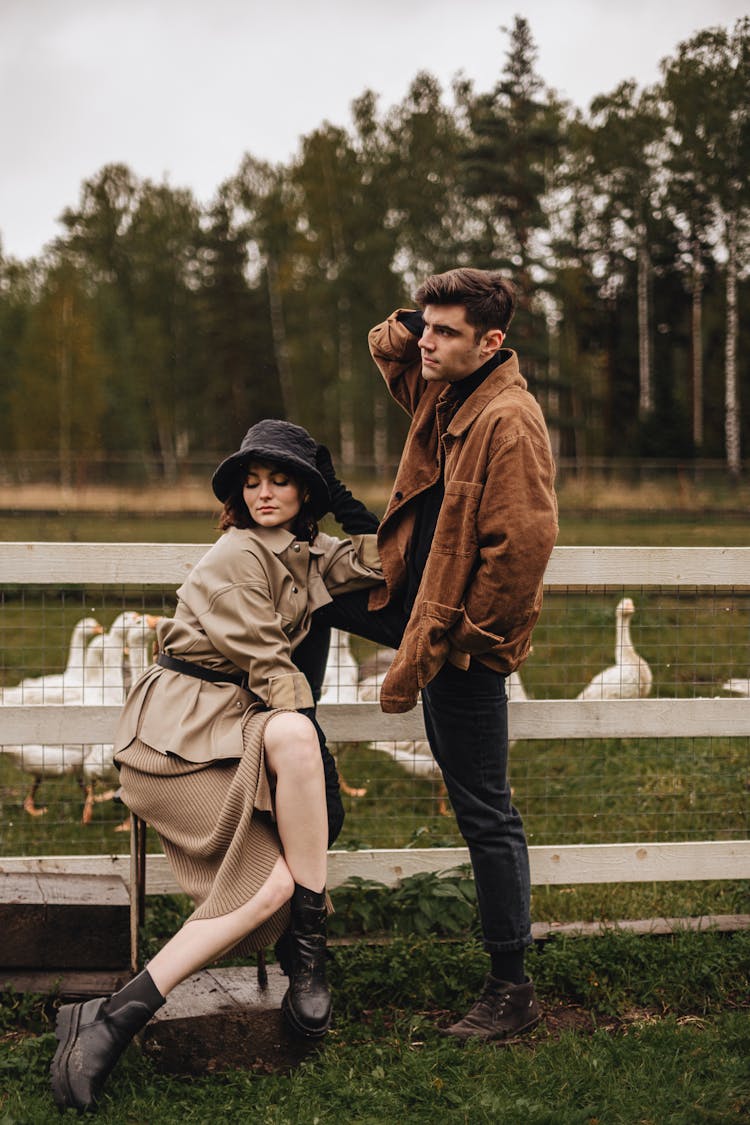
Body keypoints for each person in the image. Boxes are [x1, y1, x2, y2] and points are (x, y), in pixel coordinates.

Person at [49, 419, 383, 1113]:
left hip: (233, 729)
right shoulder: (235, 558)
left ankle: (110, 1017)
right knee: (295, 739)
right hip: (171, 741)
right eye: (252, 481)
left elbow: (388, 557)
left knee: (275, 886)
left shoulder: (306, 550)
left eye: (281, 478)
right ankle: (307, 951)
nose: (263, 492)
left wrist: (343, 497)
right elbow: (272, 669)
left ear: (304, 490)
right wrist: (314, 774)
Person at [303, 267, 558, 1041]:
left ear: (493, 343)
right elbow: (386, 343)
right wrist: (426, 322)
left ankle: (511, 988)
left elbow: (521, 550)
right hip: (419, 609)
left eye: (447, 333)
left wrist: (460, 643)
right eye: (428, 326)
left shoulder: (508, 420)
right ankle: (299, 747)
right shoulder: (445, 389)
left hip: (459, 642)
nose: (426, 344)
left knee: (485, 811)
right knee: (310, 585)